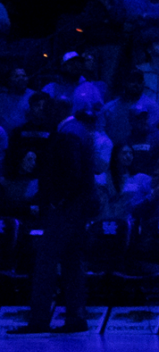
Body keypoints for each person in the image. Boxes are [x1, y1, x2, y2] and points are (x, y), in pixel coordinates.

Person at [9, 98, 95, 334]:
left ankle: (38, 320)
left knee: (45, 262)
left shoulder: (67, 133)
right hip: (78, 209)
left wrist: (58, 202)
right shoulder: (79, 130)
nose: (43, 114)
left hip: (65, 210)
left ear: (58, 110)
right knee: (72, 263)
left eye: (47, 110)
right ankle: (76, 318)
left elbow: (71, 173)